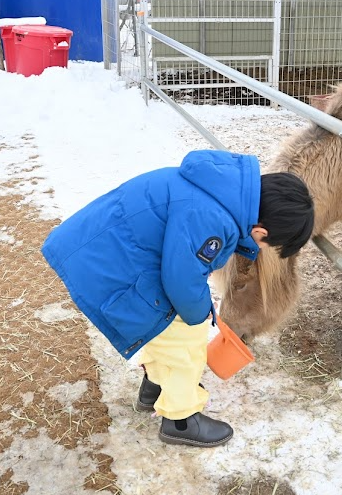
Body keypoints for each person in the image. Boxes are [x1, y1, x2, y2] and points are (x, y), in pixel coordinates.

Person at [42, 150, 314, 447]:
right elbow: (181, 280)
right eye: (265, 242)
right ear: (260, 230)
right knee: (186, 335)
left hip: (102, 253)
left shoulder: (220, 192)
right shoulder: (212, 218)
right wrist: (201, 318)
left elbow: (182, 265)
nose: (258, 245)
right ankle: (181, 420)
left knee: (169, 324)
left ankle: (156, 388)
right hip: (107, 267)